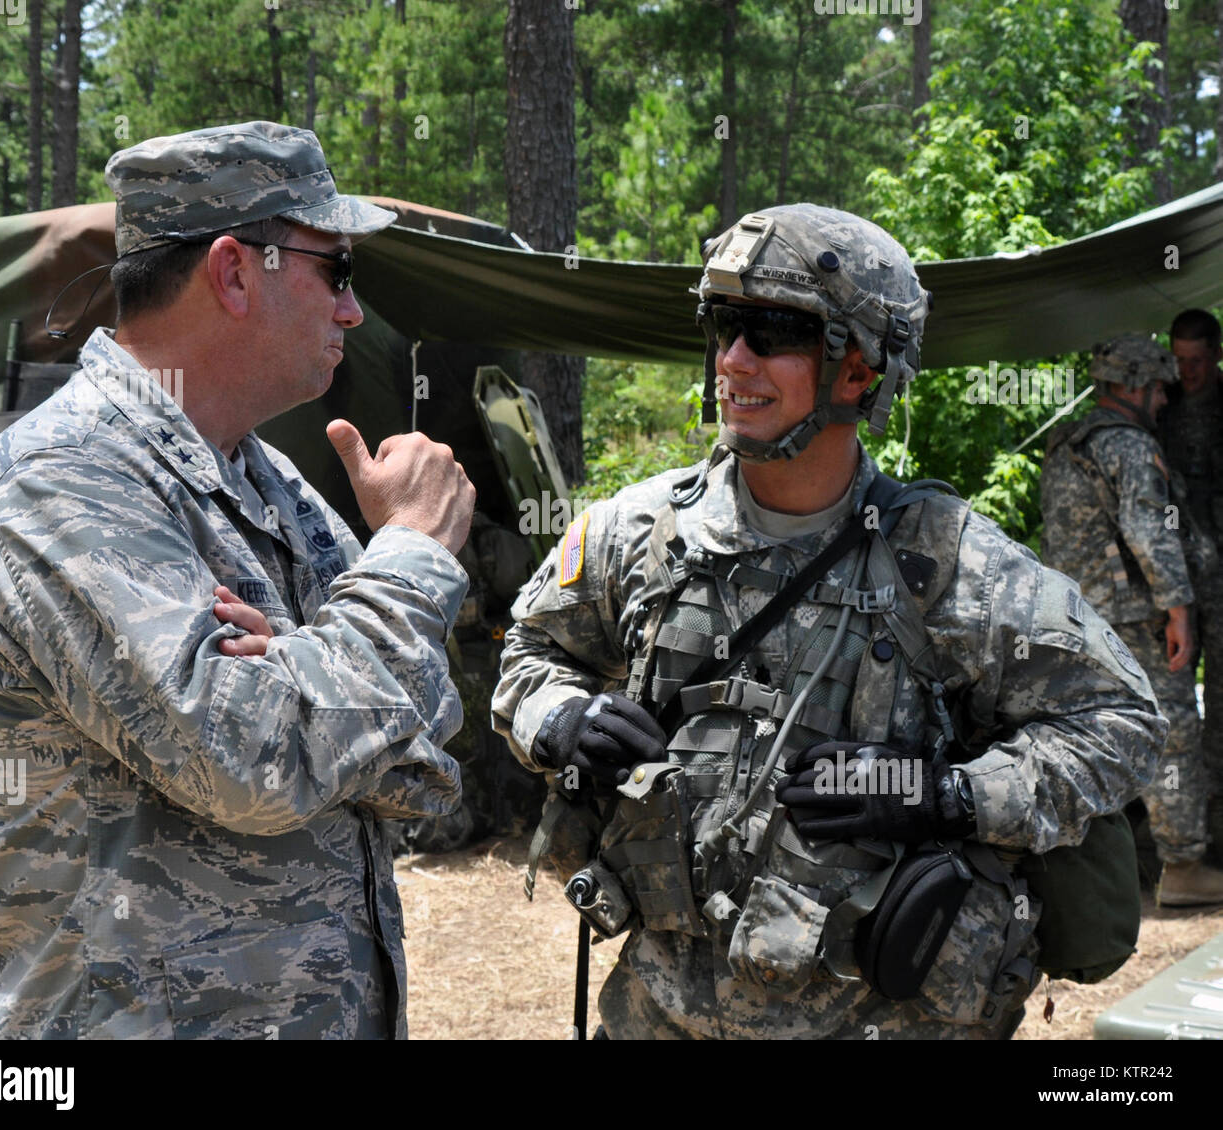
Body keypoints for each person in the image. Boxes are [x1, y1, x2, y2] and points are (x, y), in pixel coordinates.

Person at [492, 204, 1164, 1040]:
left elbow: (1123, 722)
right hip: (657, 1013)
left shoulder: (950, 565)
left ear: (859, 369)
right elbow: (529, 650)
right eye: (724, 325)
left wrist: (947, 794)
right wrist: (559, 717)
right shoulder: (639, 536)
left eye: (774, 330)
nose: (733, 359)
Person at [0, 120, 477, 1039]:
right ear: (236, 272)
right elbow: (256, 761)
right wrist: (411, 560)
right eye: (336, 271)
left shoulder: (264, 478)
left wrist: (307, 673)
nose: (352, 309)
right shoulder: (62, 483)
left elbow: (427, 767)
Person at [1042, 334, 1223, 905]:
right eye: (1157, 387)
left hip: (1075, 617)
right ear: (1133, 386)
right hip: (1132, 619)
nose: (1165, 399)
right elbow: (1151, 533)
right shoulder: (1127, 444)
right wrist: (1179, 611)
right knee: (1171, 733)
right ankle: (1185, 867)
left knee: (1095, 734)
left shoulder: (1067, 440)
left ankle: (1099, 877)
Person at [1161, 309, 1223, 868]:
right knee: (1174, 708)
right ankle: (1183, 838)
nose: (1188, 373)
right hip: (1177, 582)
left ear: (1217, 355)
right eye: (1180, 362)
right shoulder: (1165, 412)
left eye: (1197, 362)